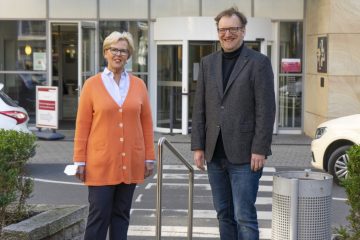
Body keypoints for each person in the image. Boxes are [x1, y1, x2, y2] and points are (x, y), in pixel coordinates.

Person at [191, 7, 275, 240]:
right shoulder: (208, 63)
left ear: (243, 31)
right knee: (223, 214)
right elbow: (200, 108)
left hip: (246, 155)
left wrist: (260, 148)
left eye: (233, 29)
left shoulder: (258, 63)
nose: (227, 34)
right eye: (223, 30)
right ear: (218, 32)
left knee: (244, 216)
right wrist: (198, 146)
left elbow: (266, 110)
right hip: (214, 153)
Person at [73, 31, 155, 240]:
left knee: (121, 216)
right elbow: (82, 126)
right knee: (99, 216)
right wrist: (79, 161)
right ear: (106, 52)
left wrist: (149, 157)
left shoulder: (139, 85)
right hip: (100, 162)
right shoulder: (91, 85)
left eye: (123, 51)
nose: (118, 54)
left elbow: (146, 123)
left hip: (130, 160)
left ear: (129, 55)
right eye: (114, 50)